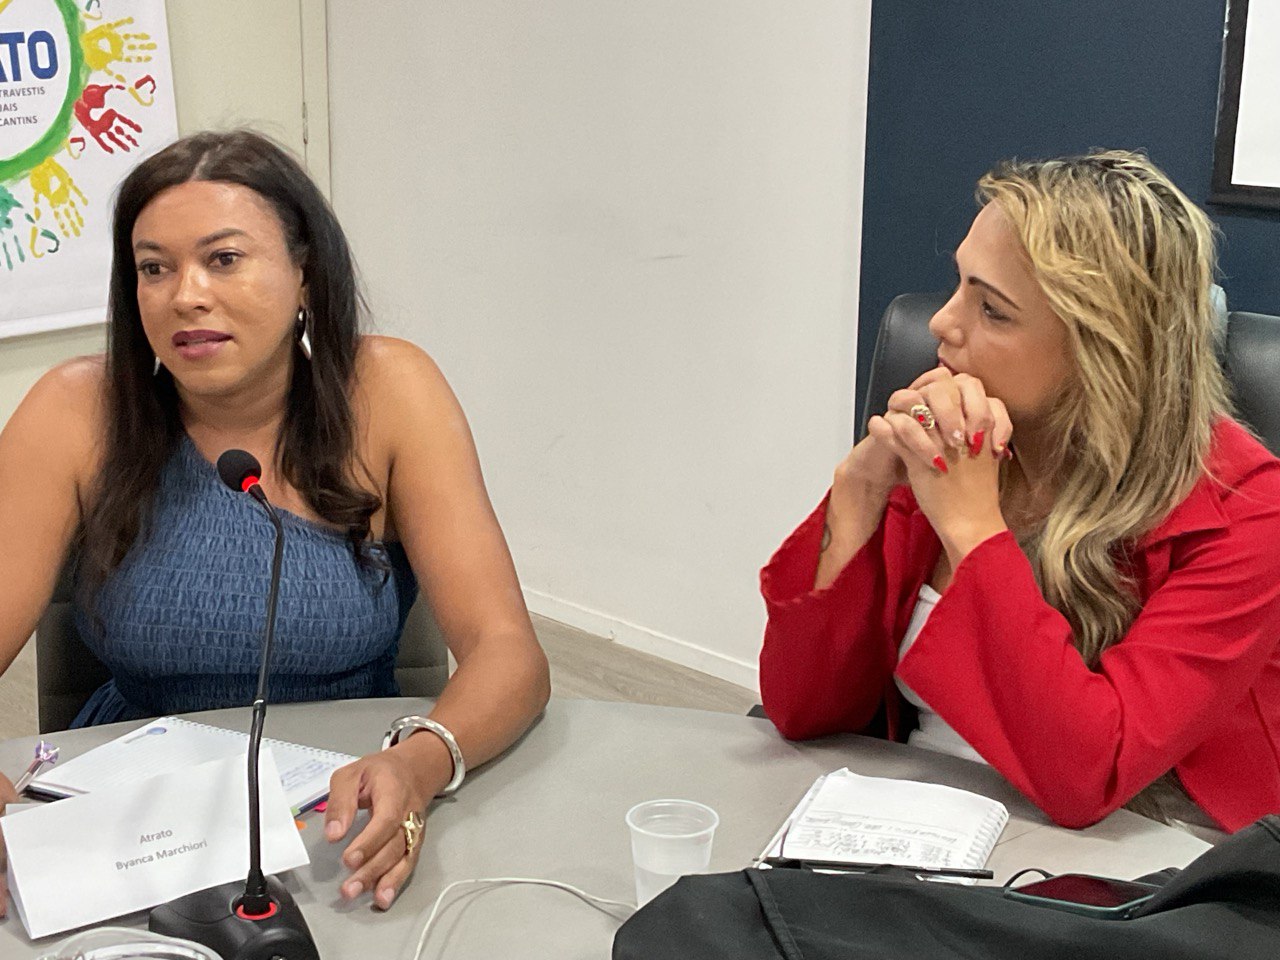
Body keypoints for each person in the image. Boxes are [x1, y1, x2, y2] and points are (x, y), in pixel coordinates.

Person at [0, 130, 550, 913]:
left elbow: (509, 653)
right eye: (154, 268)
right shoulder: (75, 409)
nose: (185, 295)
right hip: (132, 822)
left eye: (224, 259)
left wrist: (419, 762)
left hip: (343, 801)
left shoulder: (390, 392)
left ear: (305, 274)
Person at [759, 150, 1280, 837]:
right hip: (923, 821)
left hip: (1141, 852)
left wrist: (972, 532)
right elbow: (802, 710)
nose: (942, 323)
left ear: (1107, 351)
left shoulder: (1249, 513)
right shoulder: (960, 440)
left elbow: (1088, 778)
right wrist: (859, 492)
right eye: (957, 284)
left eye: (992, 310)